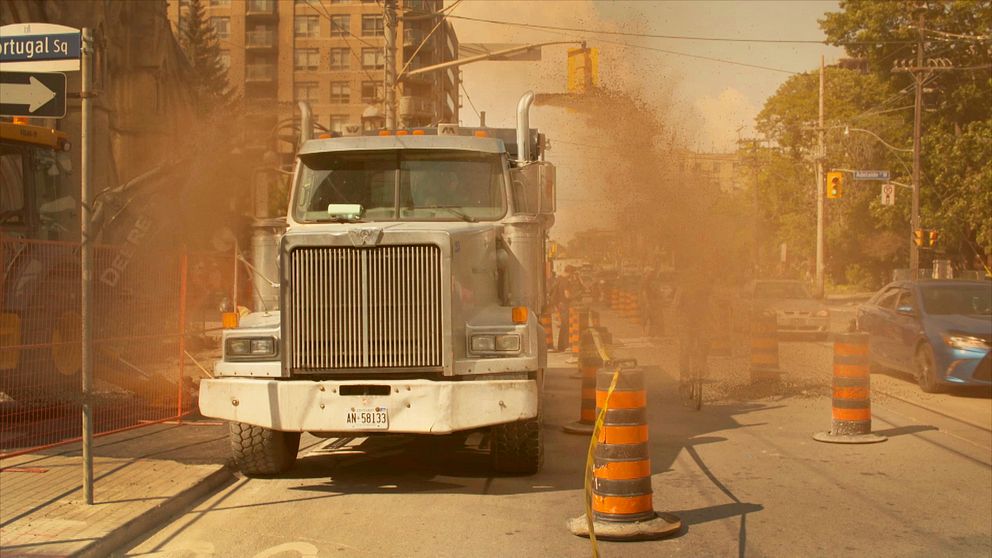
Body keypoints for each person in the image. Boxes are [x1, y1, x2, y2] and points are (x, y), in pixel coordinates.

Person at [553, 266, 578, 352]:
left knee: (564, 324)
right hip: (564, 304)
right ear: (570, 272)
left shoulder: (559, 279)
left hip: (559, 304)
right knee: (565, 324)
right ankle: (564, 345)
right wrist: (574, 296)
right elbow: (566, 295)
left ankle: (561, 345)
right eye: (572, 273)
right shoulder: (566, 281)